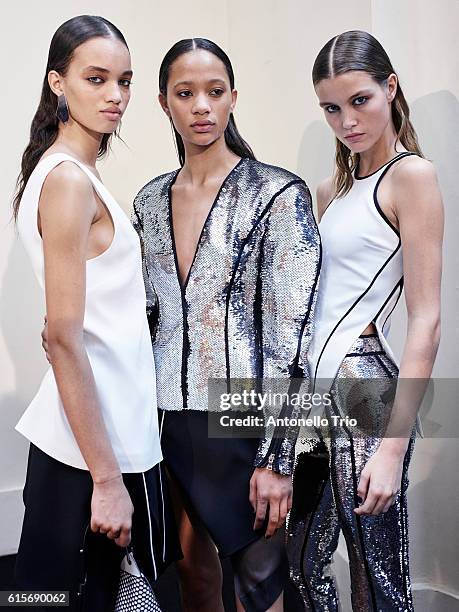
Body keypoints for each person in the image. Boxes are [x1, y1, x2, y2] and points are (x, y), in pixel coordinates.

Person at [132, 38, 321, 612]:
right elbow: (144, 315)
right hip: (167, 420)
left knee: (261, 592)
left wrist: (277, 459)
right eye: (185, 94)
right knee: (193, 584)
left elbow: (294, 335)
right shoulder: (148, 201)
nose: (201, 108)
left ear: (233, 98)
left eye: (214, 93)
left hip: (246, 420)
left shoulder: (276, 194)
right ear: (164, 103)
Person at [13, 15, 178, 611]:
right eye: (97, 78)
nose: (116, 95)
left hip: (107, 436)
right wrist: (107, 482)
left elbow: (74, 328)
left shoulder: (74, 174)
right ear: (58, 83)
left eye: (125, 81)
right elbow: (62, 337)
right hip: (93, 454)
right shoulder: (67, 181)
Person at [288, 30, 443, 611]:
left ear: (390, 88)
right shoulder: (331, 191)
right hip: (310, 392)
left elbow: (426, 320)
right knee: (302, 563)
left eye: (360, 101)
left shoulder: (412, 178)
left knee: (376, 575)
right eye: (332, 107)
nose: (347, 120)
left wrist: (392, 448)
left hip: (365, 390)